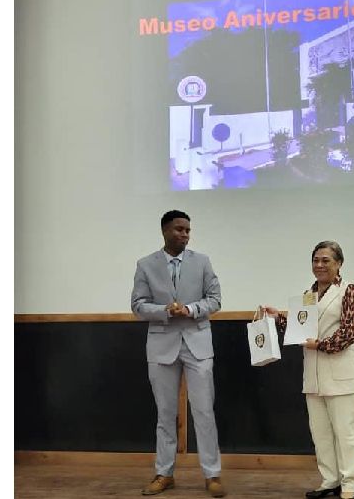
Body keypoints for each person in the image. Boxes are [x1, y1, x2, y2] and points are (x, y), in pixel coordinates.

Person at [131, 210, 226, 498]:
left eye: (187, 230)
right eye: (179, 229)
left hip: (198, 344)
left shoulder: (202, 261)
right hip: (161, 346)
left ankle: (212, 475)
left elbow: (215, 300)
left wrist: (191, 309)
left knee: (204, 411)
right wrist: (164, 311)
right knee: (165, 413)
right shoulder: (145, 264)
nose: (185, 234)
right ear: (164, 231)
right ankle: (164, 473)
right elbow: (138, 305)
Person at [261, 241, 354, 499]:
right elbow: (301, 329)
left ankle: (351, 484)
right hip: (314, 375)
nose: (319, 265)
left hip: (341, 372)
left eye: (326, 260)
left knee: (345, 432)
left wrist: (320, 345)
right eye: (316, 260)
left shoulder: (349, 291)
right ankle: (330, 481)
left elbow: (350, 332)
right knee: (321, 433)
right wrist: (278, 317)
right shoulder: (308, 295)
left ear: (339, 263)